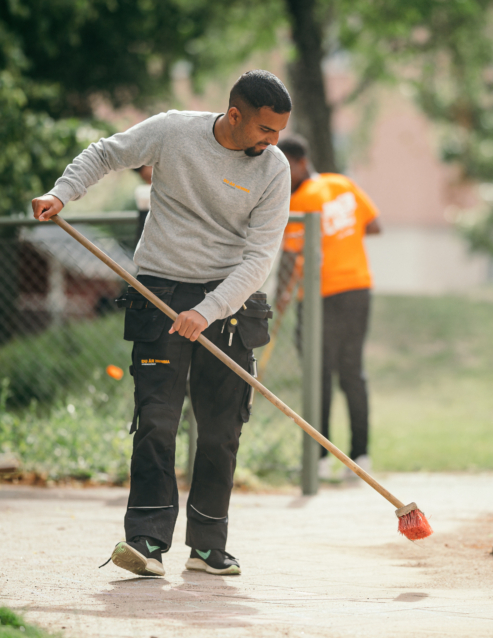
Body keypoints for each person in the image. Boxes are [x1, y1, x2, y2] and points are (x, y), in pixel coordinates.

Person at [31, 70, 292, 577]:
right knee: (156, 420)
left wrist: (209, 310)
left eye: (280, 131)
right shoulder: (174, 131)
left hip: (230, 305)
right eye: (265, 129)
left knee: (221, 430)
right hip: (160, 292)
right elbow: (106, 152)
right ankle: (147, 543)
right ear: (235, 115)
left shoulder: (274, 168)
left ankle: (207, 547)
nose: (273, 141)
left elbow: (259, 257)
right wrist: (63, 192)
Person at [274, 135, 381, 482]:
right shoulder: (342, 183)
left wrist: (279, 300)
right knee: (352, 372)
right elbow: (374, 226)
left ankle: (318, 458)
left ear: (301, 162)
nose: (280, 174)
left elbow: (290, 258)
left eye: (284, 167)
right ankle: (361, 457)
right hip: (358, 289)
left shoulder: (298, 201)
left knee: (318, 374)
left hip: (319, 296)